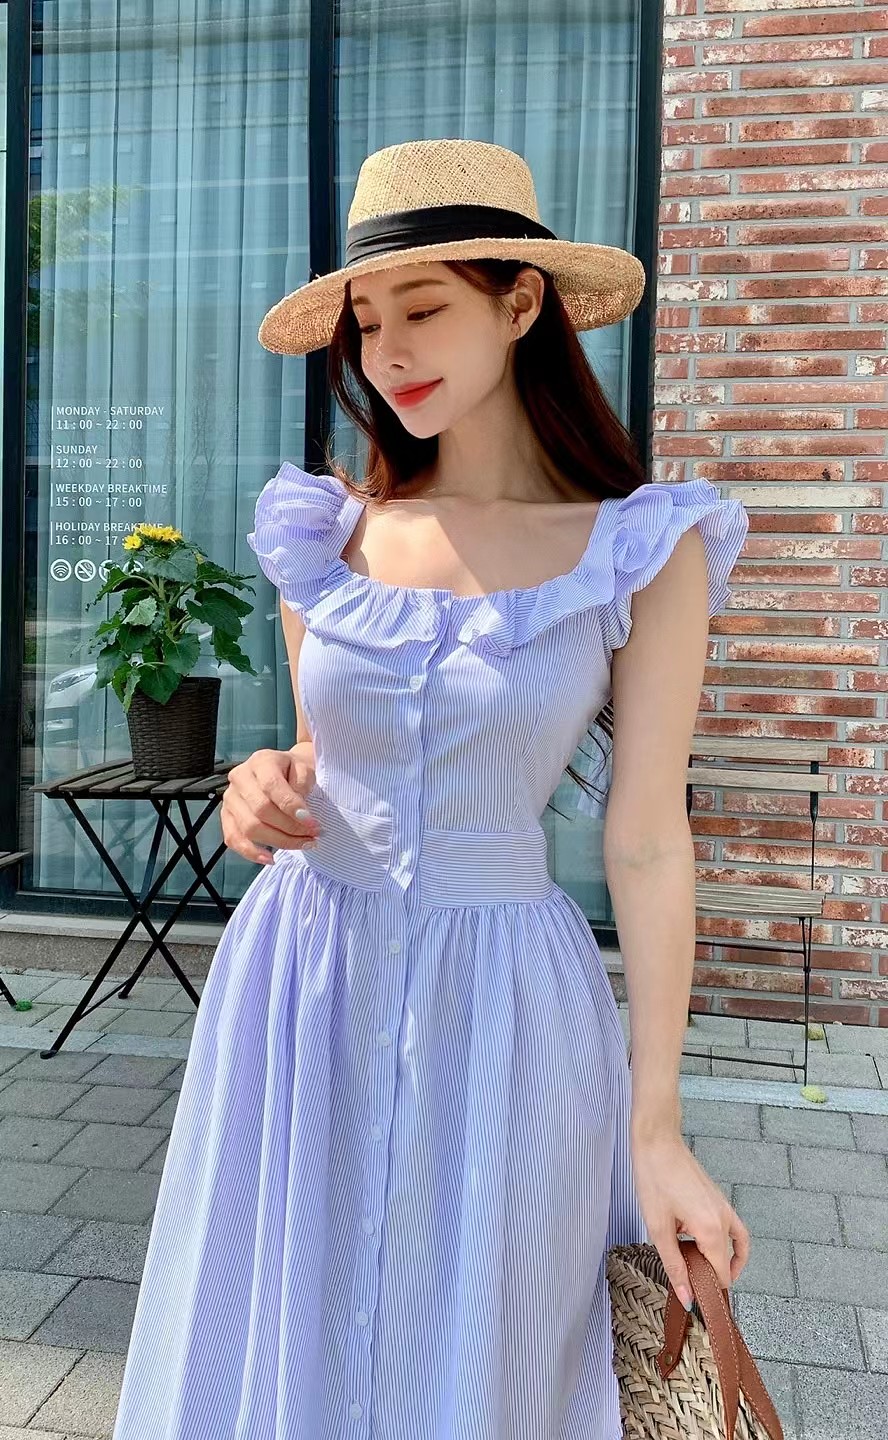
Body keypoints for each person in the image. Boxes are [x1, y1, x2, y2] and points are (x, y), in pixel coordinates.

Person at [112, 137, 751, 1440]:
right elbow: (317, 759)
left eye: (423, 308)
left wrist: (659, 1127)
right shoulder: (327, 533)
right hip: (305, 987)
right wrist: (259, 784)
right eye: (367, 319)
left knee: (481, 1357)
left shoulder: (642, 549)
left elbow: (646, 841)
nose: (388, 351)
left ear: (521, 305)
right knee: (283, 1337)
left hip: (510, 1007)